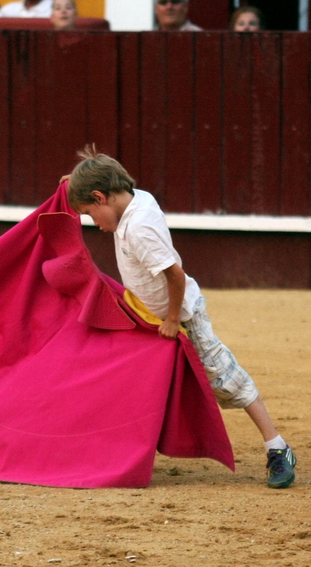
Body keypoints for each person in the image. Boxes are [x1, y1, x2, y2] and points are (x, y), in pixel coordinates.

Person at [64, 145, 297, 489]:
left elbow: (174, 274)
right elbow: (106, 178)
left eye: (88, 213)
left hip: (181, 317)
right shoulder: (134, 197)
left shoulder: (140, 228)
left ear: (100, 197)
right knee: (133, 378)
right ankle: (118, 449)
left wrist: (173, 319)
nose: (93, 224)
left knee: (224, 379)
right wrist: (73, 184)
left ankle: (278, 448)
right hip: (144, 315)